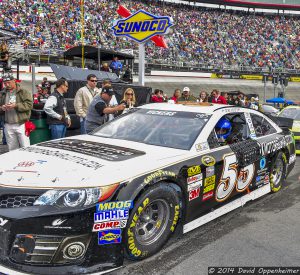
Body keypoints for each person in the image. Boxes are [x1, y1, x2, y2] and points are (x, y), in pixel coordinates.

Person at [0, 75, 33, 151]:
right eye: (5, 83)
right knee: (12, 148)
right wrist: (2, 108)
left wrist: (16, 105)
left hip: (21, 123)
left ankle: (26, 161)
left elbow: (29, 105)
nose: (7, 85)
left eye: (9, 82)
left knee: (25, 146)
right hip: (7, 124)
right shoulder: (2, 93)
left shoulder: (23, 91)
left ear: (14, 81)